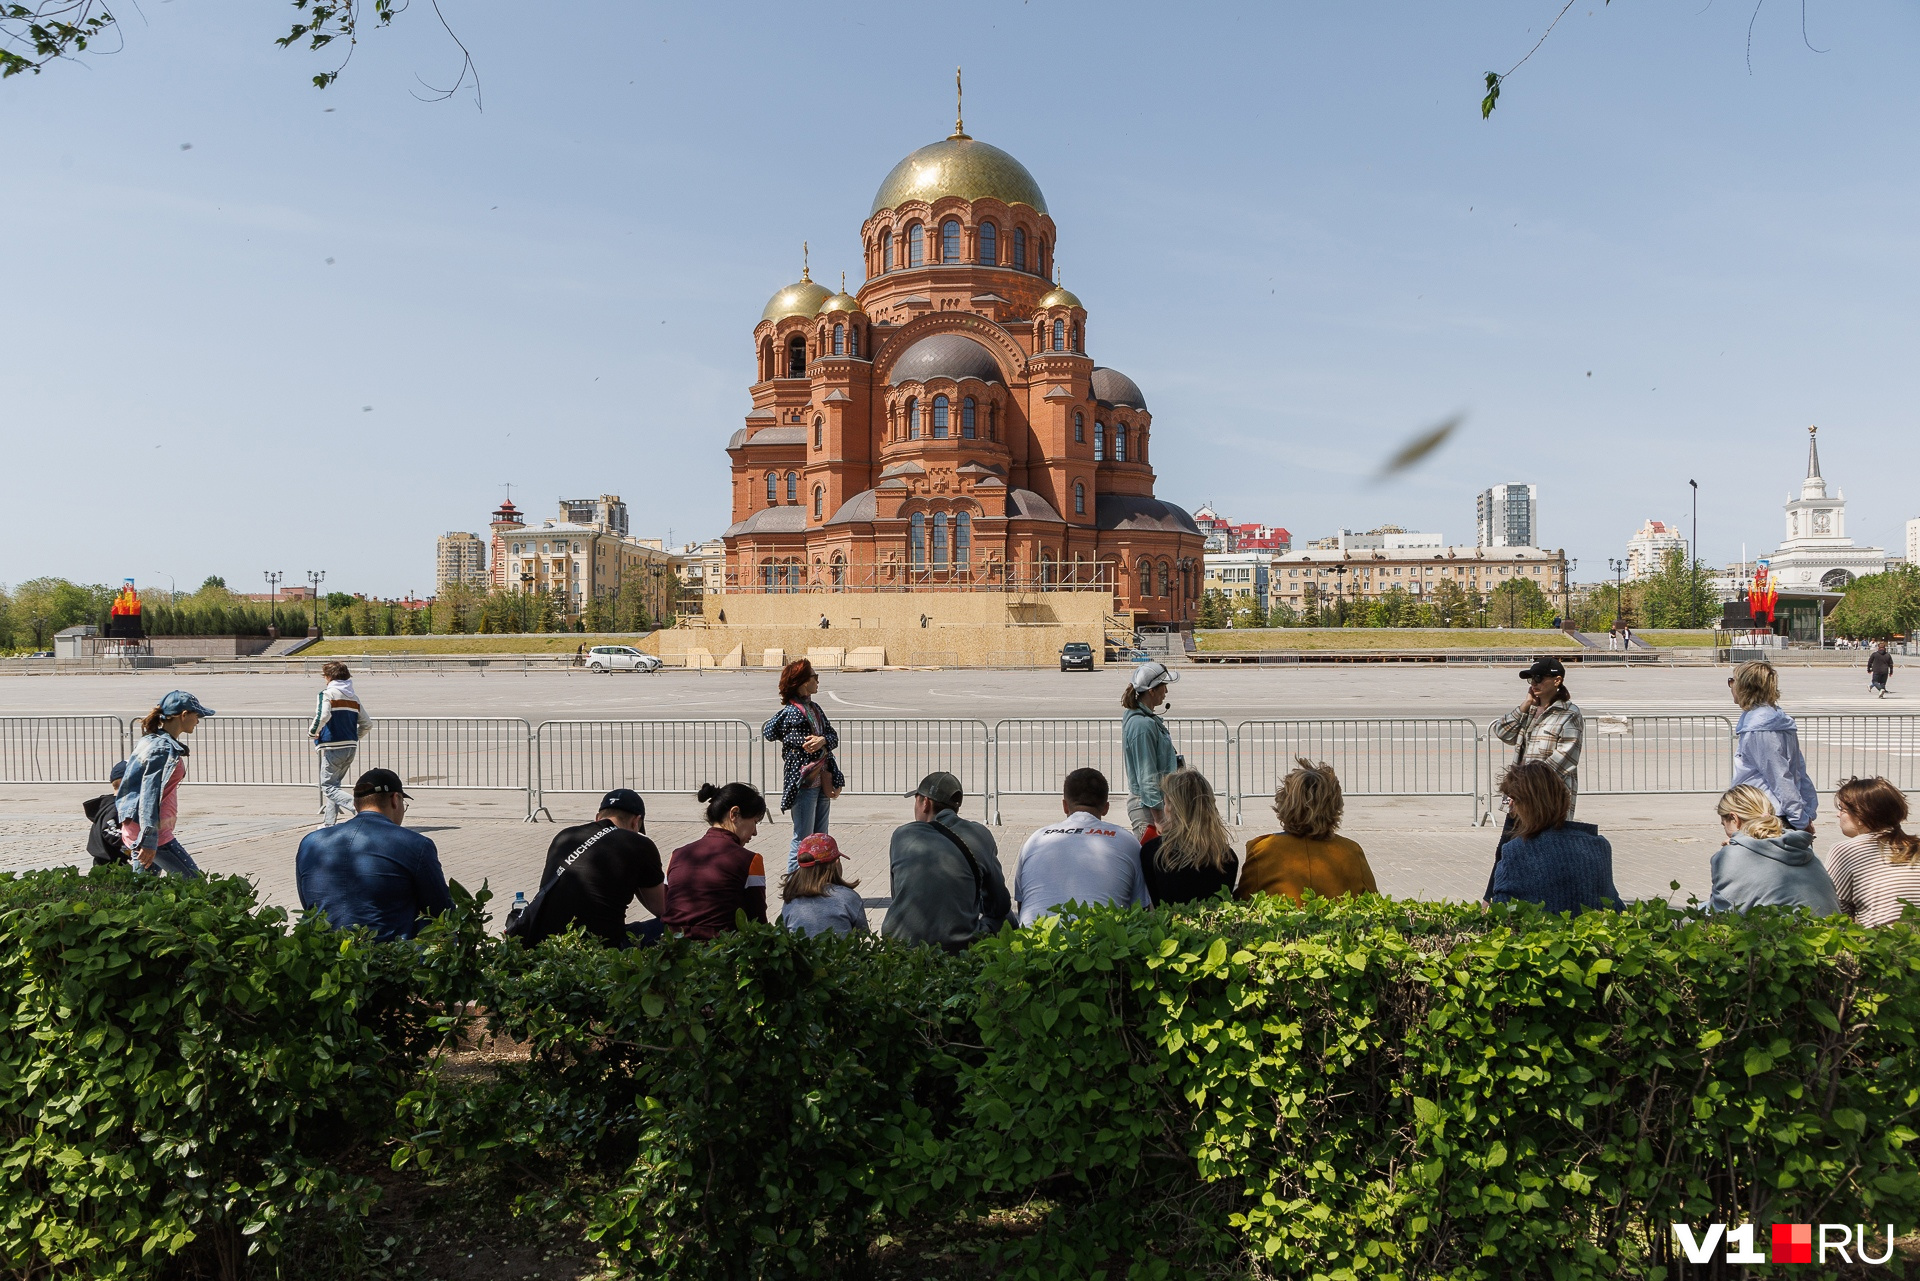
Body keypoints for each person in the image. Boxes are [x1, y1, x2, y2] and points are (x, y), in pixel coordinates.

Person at [295, 768, 454, 940]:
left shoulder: (310, 843)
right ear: (395, 799)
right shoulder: (416, 844)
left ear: (356, 805)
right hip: (389, 958)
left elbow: (308, 904)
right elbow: (443, 911)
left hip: (325, 954)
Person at [515, 788, 666, 947]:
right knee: (679, 925)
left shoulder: (564, 836)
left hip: (550, 943)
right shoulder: (638, 844)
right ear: (636, 821)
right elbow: (662, 909)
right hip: (603, 947)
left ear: (597, 818)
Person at [1487, 657, 1584, 895]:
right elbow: (1502, 732)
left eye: (1539, 678)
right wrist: (1523, 706)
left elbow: (1567, 756)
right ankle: (1492, 901)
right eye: (1531, 679)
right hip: (1520, 797)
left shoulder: (1569, 714)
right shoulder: (1530, 710)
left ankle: (1543, 900)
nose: (1534, 684)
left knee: (1543, 851)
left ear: (1557, 680)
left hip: (1547, 800)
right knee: (1506, 849)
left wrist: (1531, 787)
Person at [881, 771, 1010, 949]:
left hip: (901, 945)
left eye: (916, 800)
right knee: (1007, 918)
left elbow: (900, 894)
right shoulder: (979, 835)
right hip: (958, 947)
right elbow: (1000, 905)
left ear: (925, 803)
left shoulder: (902, 835)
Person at [1011, 768, 1150, 927]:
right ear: (1106, 807)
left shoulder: (1035, 839)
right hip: (1101, 944)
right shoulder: (1128, 841)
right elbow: (1142, 909)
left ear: (1065, 806)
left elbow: (1023, 905)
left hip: (1035, 942)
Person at [1485, 762, 1623, 914]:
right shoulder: (1599, 845)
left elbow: (1501, 912)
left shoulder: (1516, 852)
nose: (1512, 809)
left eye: (1514, 803)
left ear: (1524, 806)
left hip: (1541, 934)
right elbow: (1615, 907)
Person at [1238, 757, 1378, 904]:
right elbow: (1373, 903)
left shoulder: (1262, 850)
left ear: (1283, 803)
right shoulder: (1352, 852)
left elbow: (1244, 901)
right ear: (1336, 805)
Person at [115, 690, 214, 878]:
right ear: (184, 715)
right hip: (154, 835)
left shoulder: (152, 740)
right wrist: (150, 841)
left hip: (141, 830)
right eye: (197, 715)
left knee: (143, 891)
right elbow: (148, 796)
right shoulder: (161, 749)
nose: (198, 720)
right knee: (195, 884)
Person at [1709, 783, 1839, 915]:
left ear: (1734, 818)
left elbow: (1722, 911)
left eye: (1724, 825)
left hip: (1782, 932)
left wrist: (1730, 852)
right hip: (1831, 930)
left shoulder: (1730, 856)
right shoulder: (1804, 848)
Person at [763, 659, 843, 871]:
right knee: (803, 840)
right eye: (814, 677)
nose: (818, 680)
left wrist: (823, 740)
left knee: (820, 840)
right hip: (804, 785)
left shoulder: (815, 708)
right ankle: (793, 888)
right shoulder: (792, 713)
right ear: (801, 682)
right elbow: (798, 745)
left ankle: (816, 886)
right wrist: (817, 743)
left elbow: (833, 737)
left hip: (822, 784)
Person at [663, 782, 769, 940]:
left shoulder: (676, 856)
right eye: (755, 821)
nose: (755, 832)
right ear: (734, 814)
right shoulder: (751, 861)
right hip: (722, 954)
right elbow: (758, 923)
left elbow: (667, 908)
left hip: (674, 953)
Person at [1728, 660, 1818, 835]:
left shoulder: (1760, 726)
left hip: (1765, 814)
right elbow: (1797, 770)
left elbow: (1779, 776)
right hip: (1772, 812)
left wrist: (1800, 819)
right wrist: (1807, 811)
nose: (1730, 686)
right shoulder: (1775, 718)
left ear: (1744, 686)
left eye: (1733, 681)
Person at [1824, 777, 1920, 927]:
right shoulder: (1915, 846)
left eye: (1842, 809)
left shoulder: (1846, 850)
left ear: (1861, 815)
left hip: (1884, 943)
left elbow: (1835, 908)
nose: (1838, 815)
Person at [1137, 768, 1238, 905]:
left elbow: (1152, 901)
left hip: (1166, 925)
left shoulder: (1153, 852)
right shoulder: (1227, 857)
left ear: (1171, 808)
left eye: (1165, 802)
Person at [1121, 660, 1181, 837]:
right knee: (1153, 861)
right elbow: (1147, 775)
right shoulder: (1142, 725)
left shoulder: (1145, 719)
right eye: (1163, 686)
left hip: (1156, 804)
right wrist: (1159, 817)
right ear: (1151, 690)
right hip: (1148, 808)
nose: (1166, 691)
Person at [309, 661, 372, 827]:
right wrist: (354, 737)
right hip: (350, 747)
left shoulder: (327, 694)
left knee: (328, 786)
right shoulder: (353, 697)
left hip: (333, 747)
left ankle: (360, 808)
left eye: (325, 676)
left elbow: (322, 716)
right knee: (335, 785)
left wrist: (312, 731)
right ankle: (329, 824)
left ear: (329, 677)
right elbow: (367, 724)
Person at [778, 833, 869, 937]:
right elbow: (863, 935)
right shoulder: (849, 898)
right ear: (836, 862)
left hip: (802, 952)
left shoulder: (790, 900)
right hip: (841, 952)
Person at [83, 761, 131, 867]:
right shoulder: (114, 808)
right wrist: (130, 841)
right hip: (108, 861)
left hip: (117, 858)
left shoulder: (115, 805)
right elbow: (108, 830)